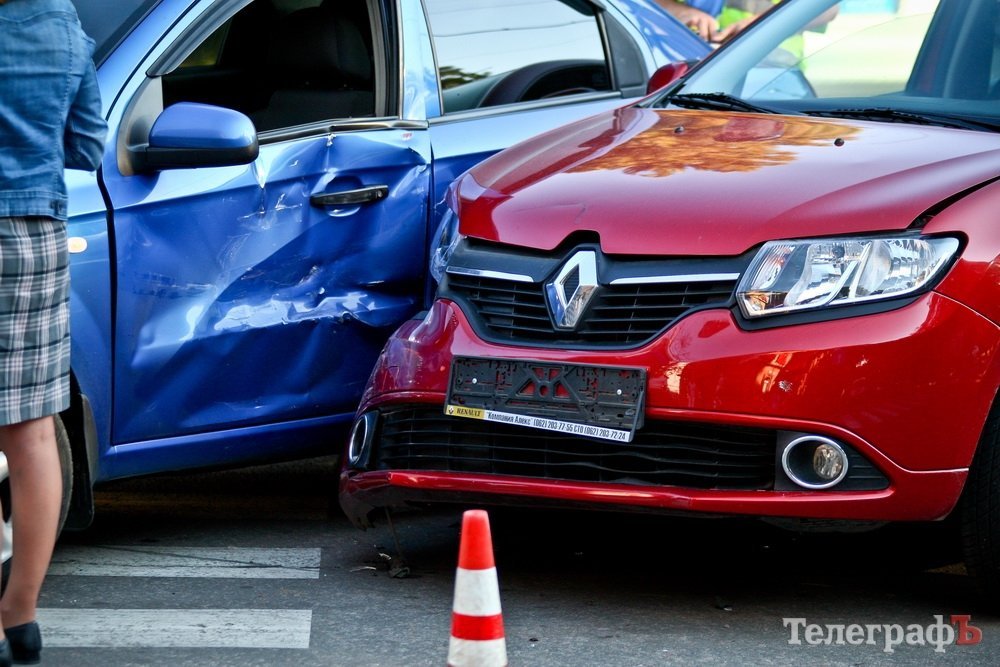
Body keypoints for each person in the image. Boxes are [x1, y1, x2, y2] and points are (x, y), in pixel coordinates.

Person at [0, 0, 106, 664]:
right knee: (33, 428)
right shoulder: (65, 26)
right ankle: (21, 615)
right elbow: (89, 146)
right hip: (36, 232)